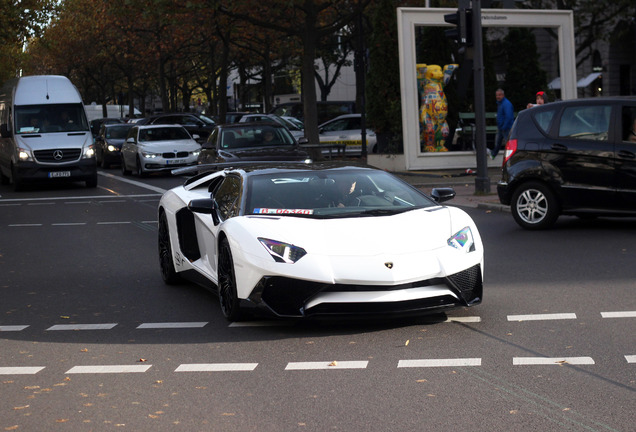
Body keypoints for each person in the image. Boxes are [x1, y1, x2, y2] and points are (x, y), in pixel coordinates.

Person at [491, 88, 514, 159]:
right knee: (498, 143)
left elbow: (509, 116)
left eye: (500, 95)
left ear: (503, 95)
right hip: (502, 127)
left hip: (506, 127)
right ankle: (493, 154)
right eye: (497, 95)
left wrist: (504, 126)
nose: (498, 97)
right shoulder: (501, 103)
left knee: (509, 143)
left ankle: (511, 157)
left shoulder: (506, 104)